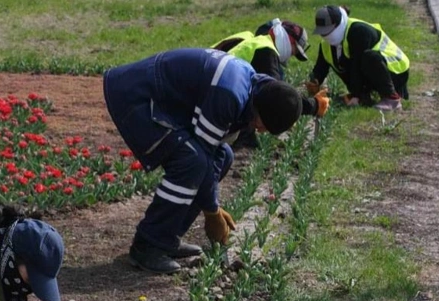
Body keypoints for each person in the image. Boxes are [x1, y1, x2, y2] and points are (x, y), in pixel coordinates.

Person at [103, 48, 303, 274]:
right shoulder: (229, 94)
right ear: (262, 112)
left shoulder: (254, 87)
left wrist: (212, 208)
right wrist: (212, 212)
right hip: (136, 96)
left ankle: (167, 237)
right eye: (264, 125)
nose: (261, 131)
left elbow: (215, 151)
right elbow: (204, 154)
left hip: (164, 102)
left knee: (224, 156)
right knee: (193, 160)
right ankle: (147, 245)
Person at [212, 19, 330, 148]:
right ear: (289, 41)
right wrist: (314, 105)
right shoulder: (265, 51)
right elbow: (279, 97)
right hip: (218, 101)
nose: (290, 57)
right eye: (293, 52)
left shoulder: (253, 39)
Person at [306, 5, 410, 111]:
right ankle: (365, 98)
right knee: (340, 62)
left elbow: (357, 65)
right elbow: (320, 67)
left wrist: (356, 95)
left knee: (368, 57)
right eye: (323, 32)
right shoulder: (326, 44)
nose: (326, 35)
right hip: (374, 71)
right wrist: (314, 81)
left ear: (340, 23)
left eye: (329, 30)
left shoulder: (359, 31)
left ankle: (392, 98)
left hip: (395, 71)